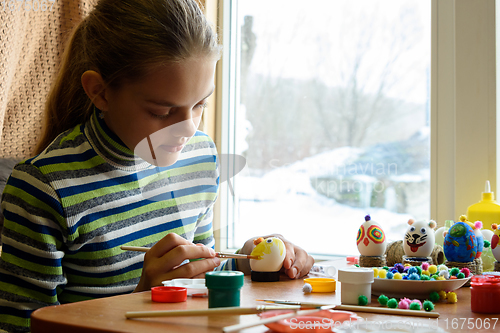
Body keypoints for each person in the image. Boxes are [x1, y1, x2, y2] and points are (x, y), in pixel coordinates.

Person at [0, 0, 314, 331]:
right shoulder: (43, 189)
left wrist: (249, 264)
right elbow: (20, 327)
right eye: (163, 113)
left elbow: (195, 280)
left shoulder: (200, 158)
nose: (189, 129)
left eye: (199, 105)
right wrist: (141, 299)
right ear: (99, 92)